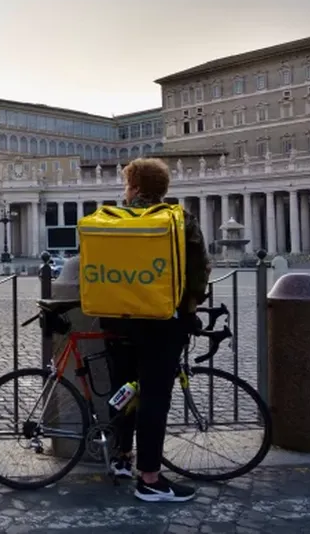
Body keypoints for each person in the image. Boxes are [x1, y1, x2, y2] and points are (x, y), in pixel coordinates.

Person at [101, 157, 211, 502]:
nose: (125, 190)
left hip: (117, 319)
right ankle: (150, 478)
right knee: (153, 396)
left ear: (134, 188)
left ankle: (121, 457)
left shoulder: (113, 219)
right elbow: (199, 271)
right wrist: (190, 307)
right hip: (162, 322)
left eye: (127, 185)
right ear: (162, 189)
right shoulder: (181, 220)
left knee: (123, 388)